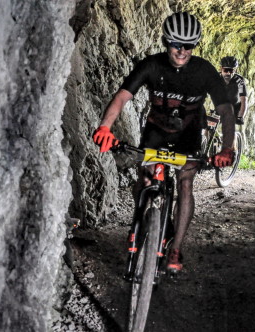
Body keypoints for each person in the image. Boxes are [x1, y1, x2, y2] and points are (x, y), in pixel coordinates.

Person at [92, 12, 235, 274]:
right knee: (146, 179)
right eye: (176, 44)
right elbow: (122, 97)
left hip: (190, 133)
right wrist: (105, 127)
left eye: (189, 46)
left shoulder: (204, 71)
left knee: (185, 183)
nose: (182, 51)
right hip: (156, 131)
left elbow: (225, 110)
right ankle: (140, 221)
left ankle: (176, 247)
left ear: (195, 45)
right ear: (165, 41)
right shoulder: (151, 65)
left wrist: (227, 147)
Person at [220, 56, 248, 125]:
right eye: (226, 70)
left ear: (235, 70)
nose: (228, 73)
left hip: (235, 109)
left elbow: (244, 100)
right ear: (221, 69)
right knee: (207, 128)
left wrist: (240, 117)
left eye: (231, 70)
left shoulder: (239, 80)